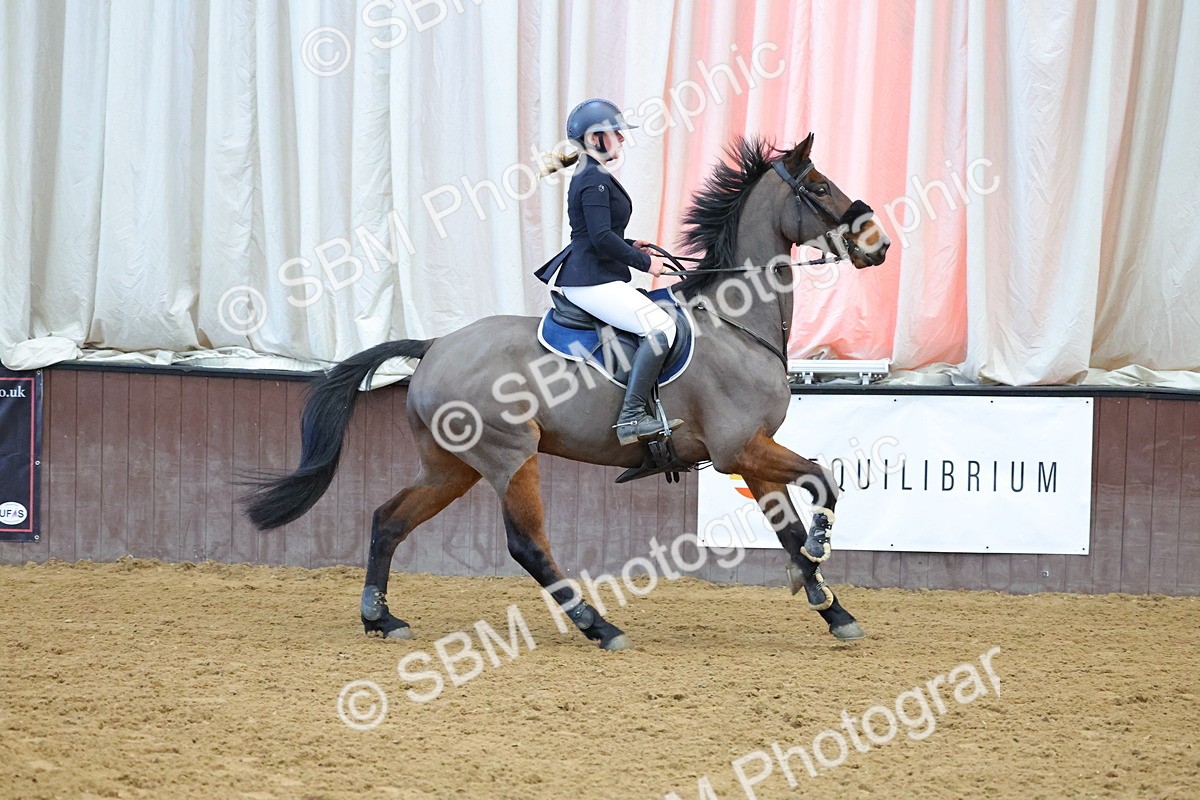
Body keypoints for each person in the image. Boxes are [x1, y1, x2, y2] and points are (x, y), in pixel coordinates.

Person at [535, 98, 683, 446]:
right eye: (617, 133)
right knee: (661, 326)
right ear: (597, 138)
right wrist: (646, 264)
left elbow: (596, 232)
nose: (623, 139)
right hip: (589, 281)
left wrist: (632, 244)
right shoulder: (594, 179)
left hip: (594, 275)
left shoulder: (594, 174)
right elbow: (600, 238)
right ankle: (631, 416)